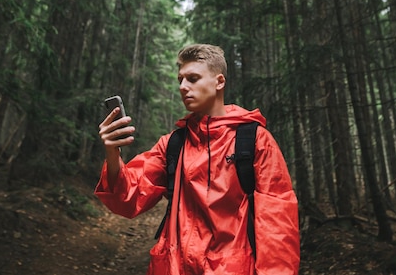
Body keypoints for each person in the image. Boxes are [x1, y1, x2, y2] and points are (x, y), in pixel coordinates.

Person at [95, 44, 300, 274]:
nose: (183, 87)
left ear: (219, 82)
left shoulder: (254, 141)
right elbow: (127, 198)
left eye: (193, 78)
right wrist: (113, 153)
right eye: (180, 79)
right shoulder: (173, 144)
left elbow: (277, 226)